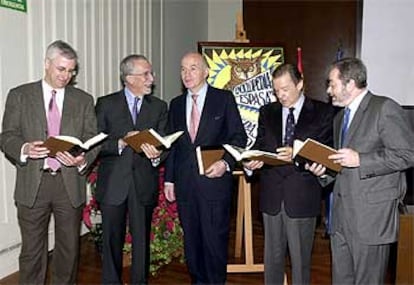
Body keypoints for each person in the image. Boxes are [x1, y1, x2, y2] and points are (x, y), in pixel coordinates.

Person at [307, 57, 414, 284]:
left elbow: (407, 155)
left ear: (350, 83)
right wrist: (323, 172)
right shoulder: (339, 119)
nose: (328, 90)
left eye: (332, 84)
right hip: (340, 219)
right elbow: (341, 167)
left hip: (371, 221)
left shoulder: (384, 108)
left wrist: (361, 159)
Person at [0, 40, 98, 284]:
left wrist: (82, 157)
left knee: (68, 250)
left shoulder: (83, 99)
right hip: (34, 183)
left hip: (69, 184)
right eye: (61, 69)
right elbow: (7, 135)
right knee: (32, 252)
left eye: (71, 70)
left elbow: (92, 139)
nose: (67, 76)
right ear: (46, 64)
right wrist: (24, 148)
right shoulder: (20, 95)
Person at [244, 63, 334, 285]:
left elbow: (327, 153)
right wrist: (251, 161)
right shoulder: (267, 112)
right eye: (276, 91)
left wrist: (298, 154)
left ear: (300, 84)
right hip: (271, 195)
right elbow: (260, 144)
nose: (280, 95)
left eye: (285, 89)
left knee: (300, 262)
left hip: (302, 196)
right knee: (272, 260)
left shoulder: (323, 112)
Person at [164, 52, 247, 285]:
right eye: (183, 69)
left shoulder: (223, 99)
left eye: (192, 68)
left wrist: (225, 163)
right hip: (185, 187)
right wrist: (169, 180)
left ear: (206, 71)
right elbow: (173, 146)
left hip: (214, 186)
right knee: (192, 244)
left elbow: (239, 137)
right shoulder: (176, 104)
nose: (186, 74)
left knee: (214, 245)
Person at [95, 54, 168, 285]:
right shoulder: (106, 104)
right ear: (129, 78)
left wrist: (158, 156)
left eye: (151, 73)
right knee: (111, 241)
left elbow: (165, 144)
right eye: (146, 74)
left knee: (141, 242)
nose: (152, 79)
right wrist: (121, 142)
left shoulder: (159, 107)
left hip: (143, 183)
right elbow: (95, 144)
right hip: (114, 184)